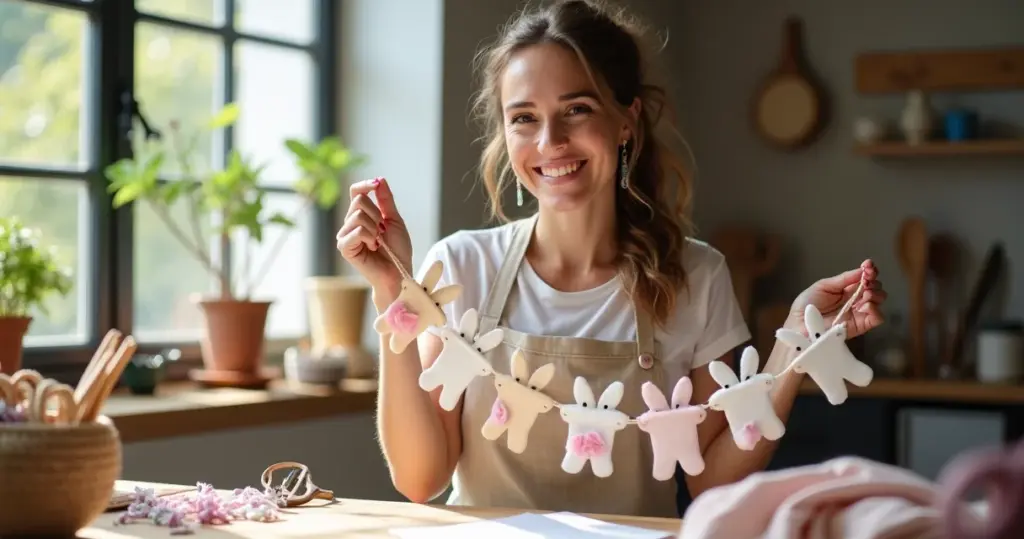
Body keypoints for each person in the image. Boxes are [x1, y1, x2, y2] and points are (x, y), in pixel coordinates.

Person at [337, 0, 888, 519]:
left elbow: (711, 486)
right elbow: (419, 478)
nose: (550, 141)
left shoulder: (696, 276)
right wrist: (395, 295)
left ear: (627, 121)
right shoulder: (461, 266)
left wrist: (791, 350)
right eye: (523, 117)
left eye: (577, 109)